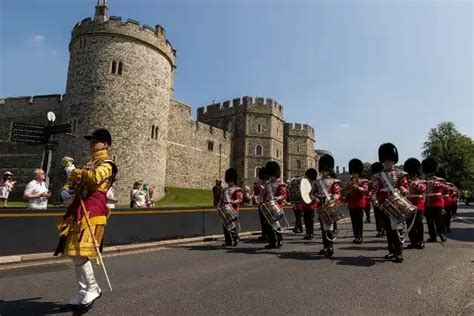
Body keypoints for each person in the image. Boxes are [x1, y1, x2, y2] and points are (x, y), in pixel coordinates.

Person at [55, 128, 117, 310]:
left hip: (93, 211)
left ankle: (92, 288)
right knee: (74, 252)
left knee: (81, 250)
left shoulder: (107, 164)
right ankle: (84, 290)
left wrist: (75, 172)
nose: (91, 144)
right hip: (79, 209)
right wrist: (68, 187)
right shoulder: (90, 162)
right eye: (91, 141)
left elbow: (94, 179)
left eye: (95, 141)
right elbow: (77, 181)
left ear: (105, 144)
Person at [370, 143, 408, 263]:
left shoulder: (401, 174)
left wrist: (401, 190)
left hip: (397, 204)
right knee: (389, 229)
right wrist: (375, 200)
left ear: (393, 161)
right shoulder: (377, 176)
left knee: (397, 229)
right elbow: (374, 190)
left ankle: (399, 252)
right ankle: (392, 250)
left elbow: (406, 188)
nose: (387, 163)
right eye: (385, 161)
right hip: (384, 205)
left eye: (389, 160)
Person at [315, 154, 342, 257]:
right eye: (322, 170)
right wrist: (315, 198)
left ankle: (330, 247)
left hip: (329, 204)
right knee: (323, 227)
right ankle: (325, 246)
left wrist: (332, 198)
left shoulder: (334, 182)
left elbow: (338, 193)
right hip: (321, 204)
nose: (324, 172)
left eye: (326, 170)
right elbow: (311, 193)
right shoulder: (317, 182)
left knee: (329, 226)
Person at [262, 161, 287, 249]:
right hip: (268, 207)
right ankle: (272, 241)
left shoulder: (281, 184)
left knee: (276, 224)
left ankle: (279, 240)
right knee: (269, 225)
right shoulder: (267, 184)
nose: (270, 176)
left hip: (276, 206)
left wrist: (276, 198)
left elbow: (283, 195)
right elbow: (265, 195)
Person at [403, 158, 427, 249]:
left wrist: (413, 183)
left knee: (419, 223)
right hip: (408, 204)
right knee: (409, 224)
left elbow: (422, 189)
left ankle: (420, 241)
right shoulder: (405, 182)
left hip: (419, 204)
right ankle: (413, 241)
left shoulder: (421, 182)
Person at [422, 158, 447, 243]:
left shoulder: (440, 180)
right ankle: (433, 236)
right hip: (429, 204)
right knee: (430, 222)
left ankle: (441, 235)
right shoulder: (424, 182)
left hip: (436, 203)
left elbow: (443, 190)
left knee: (437, 221)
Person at [345, 159, 369, 244]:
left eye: (356, 172)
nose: (354, 174)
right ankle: (356, 236)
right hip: (351, 204)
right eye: (353, 172)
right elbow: (346, 193)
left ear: (359, 172)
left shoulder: (364, 181)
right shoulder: (349, 182)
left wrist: (358, 188)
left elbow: (366, 190)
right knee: (354, 221)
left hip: (359, 203)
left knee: (359, 221)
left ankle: (360, 236)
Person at [218, 168, 244, 247]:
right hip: (225, 208)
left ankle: (235, 237)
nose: (229, 182)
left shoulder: (237, 189)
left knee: (232, 224)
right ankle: (228, 241)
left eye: (231, 180)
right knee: (225, 225)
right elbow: (221, 199)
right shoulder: (224, 190)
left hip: (233, 208)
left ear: (233, 180)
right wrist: (218, 206)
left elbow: (240, 199)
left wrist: (232, 202)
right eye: (228, 180)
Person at [370, 162, 385, 237]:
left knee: (378, 216)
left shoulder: (374, 177)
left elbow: (373, 190)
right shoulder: (384, 176)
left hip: (377, 197)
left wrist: (373, 199)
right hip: (384, 198)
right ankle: (384, 229)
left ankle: (380, 230)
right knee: (384, 215)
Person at [253, 168, 268, 241]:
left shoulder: (268, 184)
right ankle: (264, 234)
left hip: (267, 204)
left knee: (267, 220)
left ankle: (268, 234)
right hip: (261, 204)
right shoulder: (260, 184)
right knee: (262, 220)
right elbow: (256, 193)